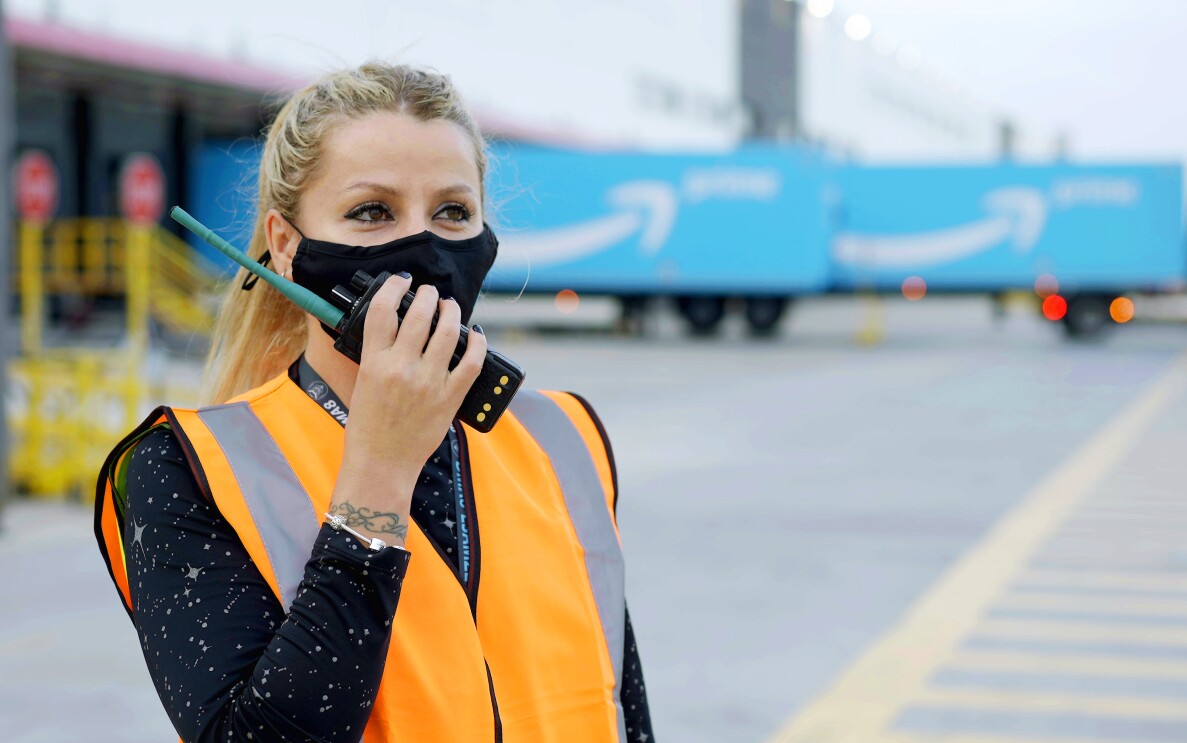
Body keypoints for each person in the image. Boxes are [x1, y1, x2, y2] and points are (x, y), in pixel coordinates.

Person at [94, 62, 654, 743]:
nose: (422, 247)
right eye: (372, 212)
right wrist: (379, 476)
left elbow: (620, 706)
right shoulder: (186, 468)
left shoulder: (565, 435)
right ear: (284, 244)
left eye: (452, 211)